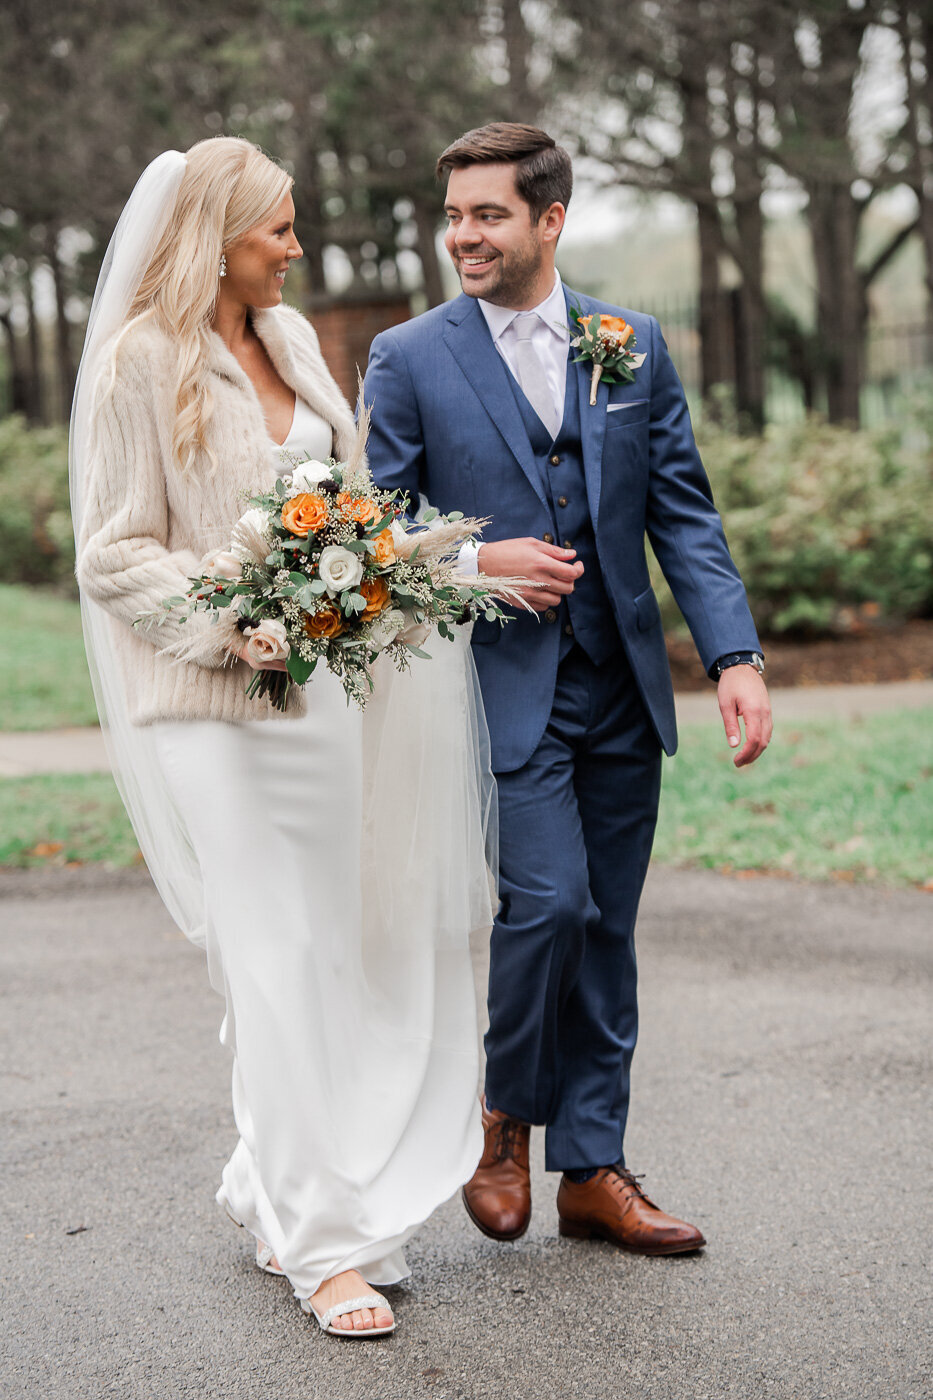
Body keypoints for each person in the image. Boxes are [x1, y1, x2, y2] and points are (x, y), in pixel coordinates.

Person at [71, 136, 495, 1336]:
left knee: (330, 953)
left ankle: (270, 1185)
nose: (297, 249)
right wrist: (231, 619)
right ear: (217, 239)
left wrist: (402, 572)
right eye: (279, 229)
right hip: (216, 710)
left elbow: (346, 506)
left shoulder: (298, 339)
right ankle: (319, 1248)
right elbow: (113, 549)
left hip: (327, 705)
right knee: (273, 955)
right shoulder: (137, 363)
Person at [363, 122, 772, 1255]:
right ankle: (503, 1118)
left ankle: (592, 1168)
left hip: (622, 685)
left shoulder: (627, 342)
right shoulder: (409, 356)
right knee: (548, 904)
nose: (463, 236)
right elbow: (375, 531)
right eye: (454, 216)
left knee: (609, 927)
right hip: (502, 687)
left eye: (487, 215)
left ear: (549, 220)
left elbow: (683, 512)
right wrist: (477, 559)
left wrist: (734, 658)